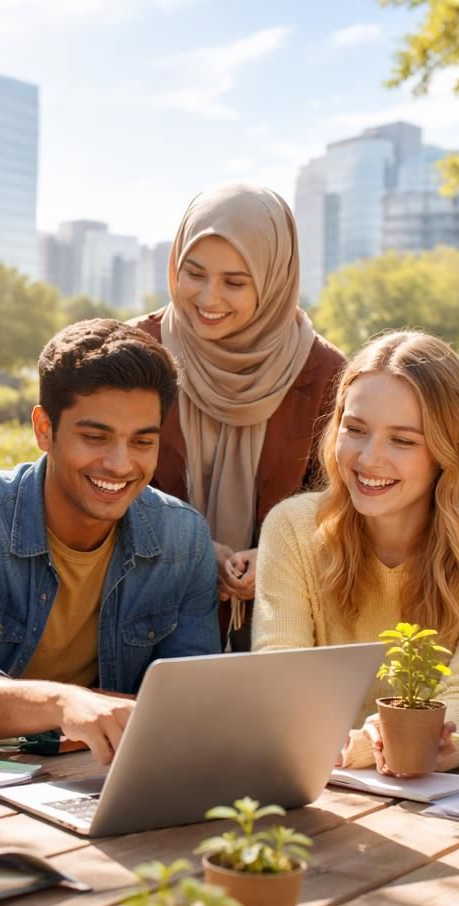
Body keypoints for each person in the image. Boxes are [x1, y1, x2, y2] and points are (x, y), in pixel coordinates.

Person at [0, 318, 220, 762]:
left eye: (142, 441)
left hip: (84, 778)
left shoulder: (182, 537)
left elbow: (192, 692)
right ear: (44, 429)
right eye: (95, 437)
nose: (119, 464)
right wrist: (65, 704)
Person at [252, 331, 459, 772]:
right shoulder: (292, 527)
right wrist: (365, 747)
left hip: (435, 800)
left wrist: (398, 743)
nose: (369, 459)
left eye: (403, 440)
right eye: (355, 429)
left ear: (449, 449)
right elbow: (279, 676)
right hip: (310, 779)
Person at [132, 182, 346, 650]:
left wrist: (277, 555)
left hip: (278, 626)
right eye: (194, 273)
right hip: (139, 618)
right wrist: (186, 548)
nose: (209, 298)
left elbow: (341, 502)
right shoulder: (134, 355)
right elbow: (97, 479)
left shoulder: (325, 375)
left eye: (235, 281)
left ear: (272, 280)